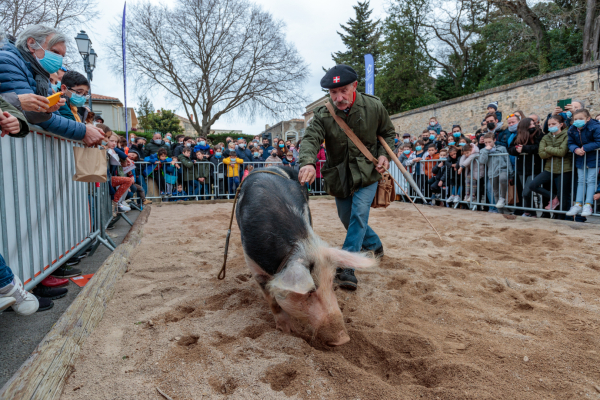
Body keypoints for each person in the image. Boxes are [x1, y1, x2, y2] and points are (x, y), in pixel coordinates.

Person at [298, 64, 395, 291]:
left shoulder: (374, 106)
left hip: (368, 173)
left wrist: (384, 155)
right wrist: (308, 163)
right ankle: (374, 244)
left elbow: (388, 133)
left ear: (354, 86)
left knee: (359, 213)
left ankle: (347, 267)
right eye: (333, 93)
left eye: (343, 91)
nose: (338, 97)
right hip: (340, 176)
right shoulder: (323, 114)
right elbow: (311, 139)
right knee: (347, 217)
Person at [0, 25, 104, 146]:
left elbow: (51, 115)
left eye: (62, 56)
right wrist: (83, 130)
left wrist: (47, 110)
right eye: (55, 52)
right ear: (31, 43)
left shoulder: (41, 74)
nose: (59, 59)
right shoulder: (8, 60)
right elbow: (29, 112)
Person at [529, 115, 572, 218]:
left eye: (553, 124)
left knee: (563, 196)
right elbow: (542, 155)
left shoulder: (567, 134)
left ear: (561, 124)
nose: (551, 126)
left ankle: (561, 219)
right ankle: (553, 198)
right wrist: (553, 150)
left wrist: (547, 148)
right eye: (549, 124)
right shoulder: (546, 137)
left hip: (564, 169)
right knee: (533, 185)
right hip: (549, 169)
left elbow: (562, 152)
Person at [566, 108, 600, 217]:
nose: (577, 121)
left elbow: (598, 141)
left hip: (594, 158)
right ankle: (578, 204)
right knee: (581, 181)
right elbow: (570, 143)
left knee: (591, 181)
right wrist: (575, 149)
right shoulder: (572, 129)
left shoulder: (595, 127)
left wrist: (584, 147)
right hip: (580, 158)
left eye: (581, 118)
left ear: (588, 118)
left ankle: (588, 204)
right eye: (575, 119)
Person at [508, 117, 544, 216]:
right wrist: (517, 150)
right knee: (525, 192)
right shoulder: (518, 136)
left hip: (535, 167)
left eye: (533, 124)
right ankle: (530, 212)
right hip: (521, 168)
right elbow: (510, 149)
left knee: (526, 191)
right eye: (530, 124)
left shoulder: (538, 134)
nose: (533, 126)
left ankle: (529, 212)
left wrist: (524, 148)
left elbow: (538, 147)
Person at [480, 132, 512, 211]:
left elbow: (507, 160)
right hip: (492, 172)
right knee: (495, 191)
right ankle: (500, 211)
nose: (488, 144)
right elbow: (482, 161)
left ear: (494, 140)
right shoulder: (483, 150)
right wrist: (486, 151)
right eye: (486, 142)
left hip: (502, 169)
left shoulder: (501, 148)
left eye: (489, 142)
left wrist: (511, 173)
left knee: (503, 178)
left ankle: (502, 198)